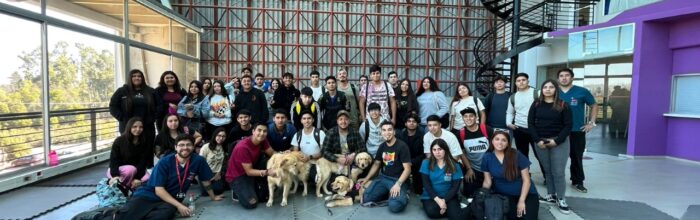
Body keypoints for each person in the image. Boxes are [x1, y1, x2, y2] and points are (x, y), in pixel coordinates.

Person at [118, 135, 224, 219]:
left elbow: (205, 180)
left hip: (170, 200)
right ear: (175, 147)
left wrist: (213, 197)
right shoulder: (164, 162)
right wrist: (179, 206)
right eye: (181, 145)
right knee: (125, 215)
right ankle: (110, 213)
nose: (185, 148)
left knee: (162, 216)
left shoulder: (198, 160)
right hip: (148, 195)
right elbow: (159, 190)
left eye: (189, 145)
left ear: (193, 146)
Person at [528, 79, 573, 214]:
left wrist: (557, 141)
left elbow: (568, 126)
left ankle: (561, 198)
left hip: (559, 142)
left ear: (556, 90)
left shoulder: (563, 105)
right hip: (541, 142)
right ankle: (551, 195)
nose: (547, 89)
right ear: (542, 90)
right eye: (545, 87)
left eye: (551, 87)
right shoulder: (536, 104)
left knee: (558, 172)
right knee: (547, 170)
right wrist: (537, 140)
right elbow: (530, 123)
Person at [482, 131, 539, 220]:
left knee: (528, 218)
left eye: (504, 140)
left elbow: (527, 180)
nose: (500, 142)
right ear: (492, 141)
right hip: (504, 195)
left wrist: (521, 200)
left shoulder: (516, 154)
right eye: (497, 139)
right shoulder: (487, 157)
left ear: (508, 143)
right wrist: (482, 195)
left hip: (527, 194)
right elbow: (487, 181)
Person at [557, 68, 597, 193]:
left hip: (576, 130)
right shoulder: (553, 91)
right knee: (556, 158)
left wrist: (591, 123)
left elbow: (594, 105)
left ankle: (578, 181)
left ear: (572, 77)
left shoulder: (582, 91)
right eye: (561, 76)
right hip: (557, 130)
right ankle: (552, 180)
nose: (564, 78)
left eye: (567, 75)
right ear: (558, 79)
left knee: (576, 157)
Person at [359, 121, 411, 213]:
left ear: (394, 131)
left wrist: (398, 184)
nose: (387, 133)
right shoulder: (382, 146)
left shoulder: (402, 146)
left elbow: (407, 169)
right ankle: (388, 193)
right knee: (366, 198)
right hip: (384, 178)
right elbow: (376, 164)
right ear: (381, 132)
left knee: (395, 206)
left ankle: (404, 195)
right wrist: (366, 178)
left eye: (389, 130)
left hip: (398, 180)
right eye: (384, 130)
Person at [109, 69, 157, 166]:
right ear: (130, 78)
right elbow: (113, 106)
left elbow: (159, 106)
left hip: (147, 126)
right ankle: (129, 170)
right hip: (127, 126)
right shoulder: (122, 91)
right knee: (128, 148)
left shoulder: (151, 91)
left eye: (139, 76)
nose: (136, 78)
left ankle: (147, 170)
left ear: (142, 78)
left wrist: (152, 118)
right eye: (134, 76)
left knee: (147, 148)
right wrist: (121, 118)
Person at [225, 123, 277, 209]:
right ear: (253, 131)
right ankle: (237, 191)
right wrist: (268, 172)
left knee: (264, 197)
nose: (262, 133)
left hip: (253, 167)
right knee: (251, 203)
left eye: (265, 131)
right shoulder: (243, 147)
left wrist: (283, 156)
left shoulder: (262, 140)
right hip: (238, 176)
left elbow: (272, 153)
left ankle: (254, 186)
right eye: (259, 130)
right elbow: (249, 172)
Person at [506, 73, 545, 177]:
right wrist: (509, 123)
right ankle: (525, 175)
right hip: (519, 129)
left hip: (536, 129)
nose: (521, 82)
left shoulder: (537, 93)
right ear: (515, 83)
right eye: (518, 80)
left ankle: (548, 177)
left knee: (540, 155)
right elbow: (510, 112)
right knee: (522, 155)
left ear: (528, 81)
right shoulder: (513, 97)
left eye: (523, 80)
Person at [420, 139, 465, 220]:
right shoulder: (426, 162)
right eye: (434, 150)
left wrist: (444, 200)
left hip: (448, 196)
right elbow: (426, 184)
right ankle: (453, 210)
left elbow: (455, 187)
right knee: (431, 212)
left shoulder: (455, 165)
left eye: (440, 149)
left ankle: (455, 210)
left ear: (446, 150)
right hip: (431, 196)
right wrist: (438, 200)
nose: (437, 152)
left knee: (456, 217)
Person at [107, 117, 150, 194]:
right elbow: (113, 160)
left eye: (141, 127)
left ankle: (127, 187)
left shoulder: (144, 141)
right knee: (130, 169)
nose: (138, 129)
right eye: (135, 127)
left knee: (147, 178)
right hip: (117, 170)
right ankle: (122, 188)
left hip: (135, 171)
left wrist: (137, 178)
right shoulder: (119, 141)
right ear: (129, 127)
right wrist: (115, 175)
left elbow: (143, 162)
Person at [457, 108, 493, 197]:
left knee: (493, 193)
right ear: (463, 118)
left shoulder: (487, 129)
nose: (468, 118)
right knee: (469, 193)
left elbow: (495, 149)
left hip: (489, 168)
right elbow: (462, 153)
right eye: (465, 116)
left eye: (471, 116)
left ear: (476, 117)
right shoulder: (461, 134)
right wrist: (469, 169)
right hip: (473, 169)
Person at [395, 113, 425, 194]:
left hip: (417, 162)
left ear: (417, 124)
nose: (411, 123)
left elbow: (423, 154)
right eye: (409, 121)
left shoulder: (422, 136)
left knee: (419, 190)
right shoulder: (400, 135)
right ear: (405, 123)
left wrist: (411, 162)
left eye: (414, 121)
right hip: (404, 161)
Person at [199, 128, 227, 196]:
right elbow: (200, 163)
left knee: (219, 190)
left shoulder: (224, 147)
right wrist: (208, 175)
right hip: (206, 173)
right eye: (219, 135)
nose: (221, 138)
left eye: (223, 136)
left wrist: (219, 173)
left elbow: (223, 163)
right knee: (205, 193)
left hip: (217, 173)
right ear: (214, 135)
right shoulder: (206, 147)